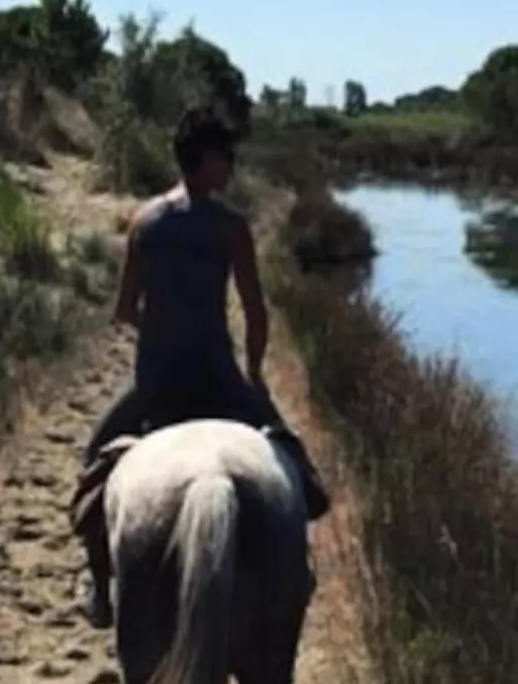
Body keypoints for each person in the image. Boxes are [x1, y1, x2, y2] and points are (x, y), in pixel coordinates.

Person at [70, 105, 330, 629]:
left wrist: (162, 331)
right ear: (206, 158)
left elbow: (125, 309)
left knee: (93, 465)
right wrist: (255, 373)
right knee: (302, 477)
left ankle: (99, 588)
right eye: (226, 156)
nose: (231, 165)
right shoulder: (232, 227)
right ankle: (296, 573)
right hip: (218, 382)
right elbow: (255, 311)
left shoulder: (144, 222)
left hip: (157, 385)